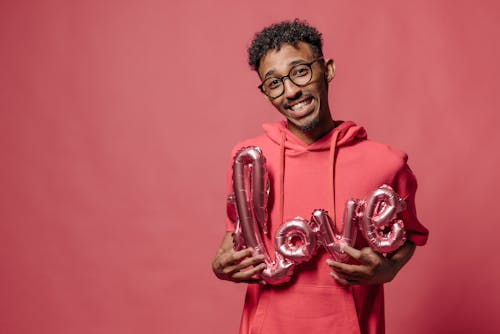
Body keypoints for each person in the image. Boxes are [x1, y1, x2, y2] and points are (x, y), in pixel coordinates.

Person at [212, 19, 429, 334]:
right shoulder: (248, 158)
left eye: (300, 71)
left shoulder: (386, 163)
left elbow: (410, 235)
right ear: (265, 93)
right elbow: (238, 236)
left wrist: (389, 268)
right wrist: (219, 266)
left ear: (327, 69)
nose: (290, 91)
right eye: (274, 83)